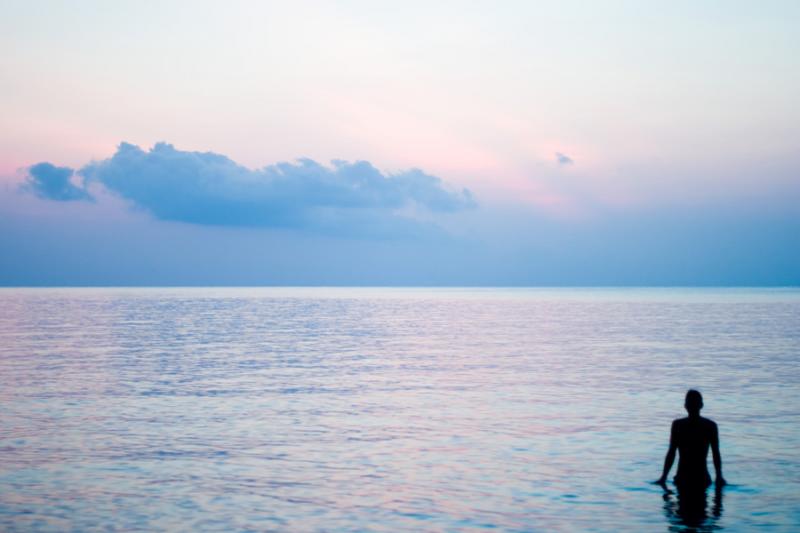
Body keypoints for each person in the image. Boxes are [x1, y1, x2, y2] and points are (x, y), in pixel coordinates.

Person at [656, 389, 726, 489]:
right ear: (701, 405)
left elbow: (672, 452)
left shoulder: (679, 425)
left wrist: (664, 477)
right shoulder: (709, 426)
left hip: (687, 478)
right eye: (691, 403)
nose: (692, 406)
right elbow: (716, 454)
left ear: (685, 406)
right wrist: (719, 476)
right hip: (697, 478)